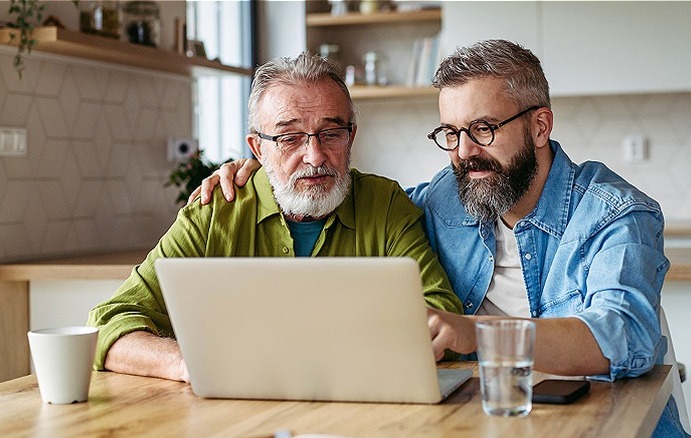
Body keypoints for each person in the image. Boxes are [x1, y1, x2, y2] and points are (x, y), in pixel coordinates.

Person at [193, 40, 689, 436]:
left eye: (483, 128)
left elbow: (625, 335)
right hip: (481, 422)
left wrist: (476, 333)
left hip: (611, 424)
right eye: (450, 133)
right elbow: (347, 198)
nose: (463, 153)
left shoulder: (616, 213)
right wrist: (264, 169)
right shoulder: (443, 198)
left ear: (540, 127)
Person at [87, 52, 463, 383]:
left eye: (330, 133)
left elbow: (442, 314)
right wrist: (188, 364)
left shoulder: (384, 204)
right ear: (257, 148)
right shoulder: (217, 209)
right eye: (289, 138)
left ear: (352, 136)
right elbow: (109, 321)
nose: (315, 157)